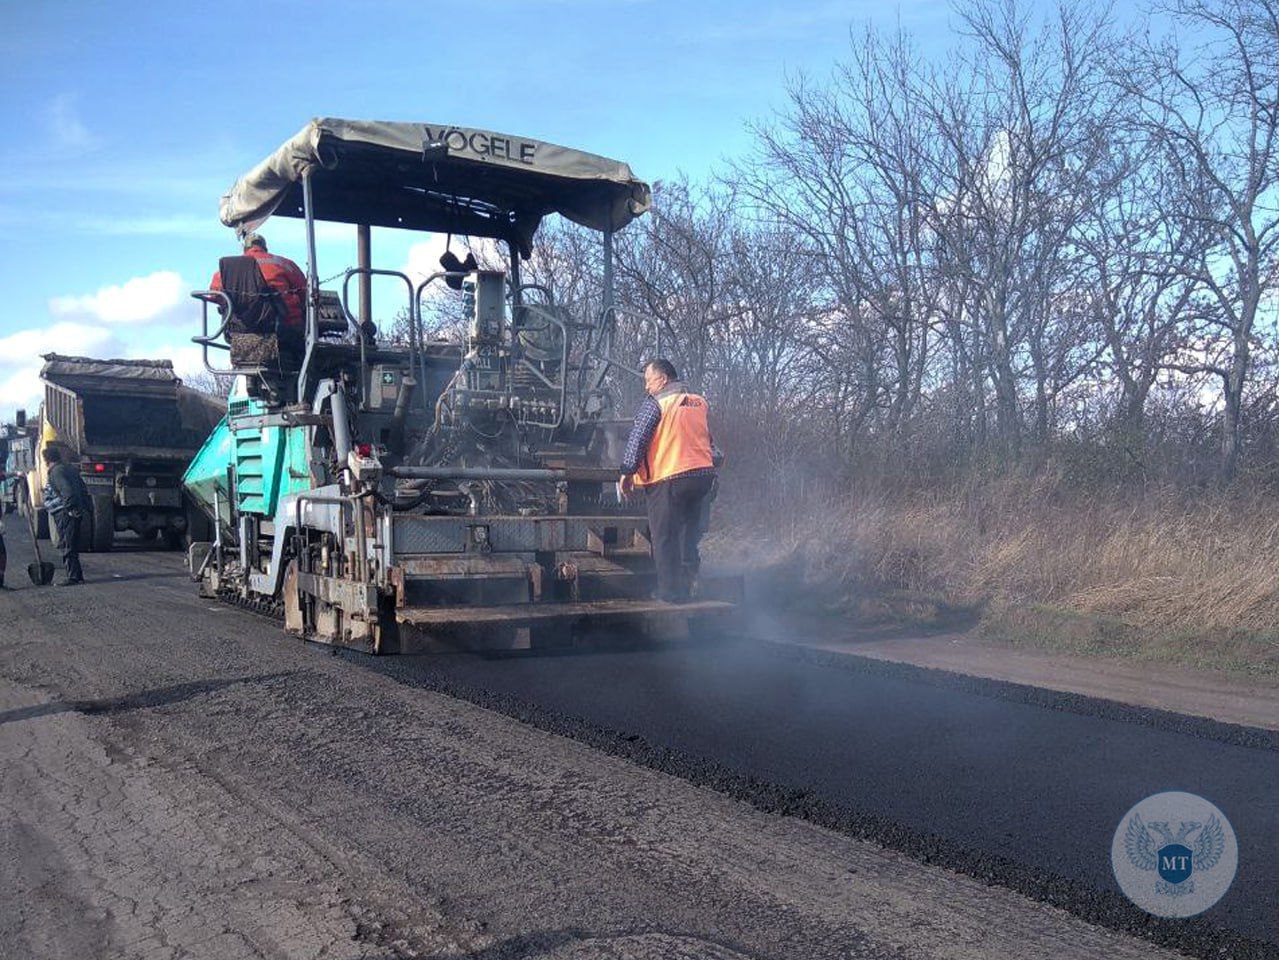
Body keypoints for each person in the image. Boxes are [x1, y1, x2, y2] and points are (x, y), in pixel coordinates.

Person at [620, 359, 717, 603]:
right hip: (702, 478)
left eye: (648, 381)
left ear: (662, 379)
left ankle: (670, 593)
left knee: (664, 536)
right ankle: (691, 584)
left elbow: (638, 439)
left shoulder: (656, 403)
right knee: (688, 532)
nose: (646, 387)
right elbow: (709, 442)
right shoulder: (699, 402)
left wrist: (627, 471)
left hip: (670, 477)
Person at [209, 233, 308, 338]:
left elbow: (215, 295)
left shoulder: (227, 270)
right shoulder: (285, 263)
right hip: (285, 331)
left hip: (239, 332)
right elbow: (305, 292)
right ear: (264, 247)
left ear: (245, 248)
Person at [41, 446, 91, 586]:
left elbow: (67, 492)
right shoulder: (70, 469)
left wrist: (69, 508)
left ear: (47, 460)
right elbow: (83, 489)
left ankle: (72, 577)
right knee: (72, 545)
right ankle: (77, 575)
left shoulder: (56, 472)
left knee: (67, 545)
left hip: (65, 513)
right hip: (74, 511)